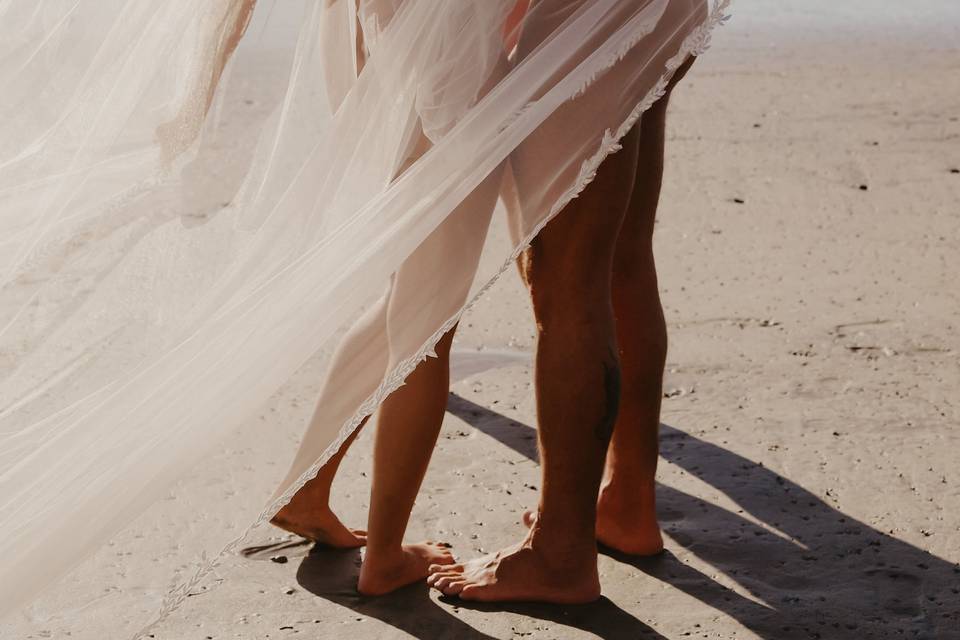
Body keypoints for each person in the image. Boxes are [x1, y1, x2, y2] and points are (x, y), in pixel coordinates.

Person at [271, 0, 703, 601]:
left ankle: (317, 491)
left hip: (458, 75)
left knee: (433, 301)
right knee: (588, 268)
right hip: (491, 77)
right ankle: (393, 550)